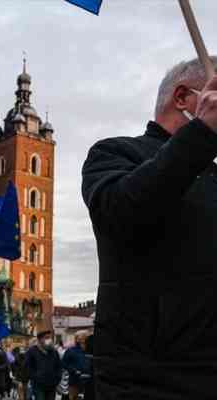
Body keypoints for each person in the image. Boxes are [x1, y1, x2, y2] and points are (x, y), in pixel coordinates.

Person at [81, 56, 217, 400]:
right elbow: (122, 211)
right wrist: (202, 134)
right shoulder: (115, 153)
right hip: (148, 381)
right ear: (184, 98)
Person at [25, 331, 62, 400]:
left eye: (50, 337)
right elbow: (28, 367)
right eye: (47, 338)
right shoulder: (32, 351)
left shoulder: (54, 352)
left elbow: (59, 366)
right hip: (38, 385)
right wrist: (35, 378)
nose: (50, 340)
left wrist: (57, 378)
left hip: (52, 384)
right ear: (40, 340)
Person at [62, 331, 90, 400]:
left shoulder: (90, 350)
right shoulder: (71, 350)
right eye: (81, 337)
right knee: (73, 398)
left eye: (85, 336)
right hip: (74, 381)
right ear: (77, 339)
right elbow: (64, 363)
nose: (83, 338)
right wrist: (73, 370)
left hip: (89, 381)